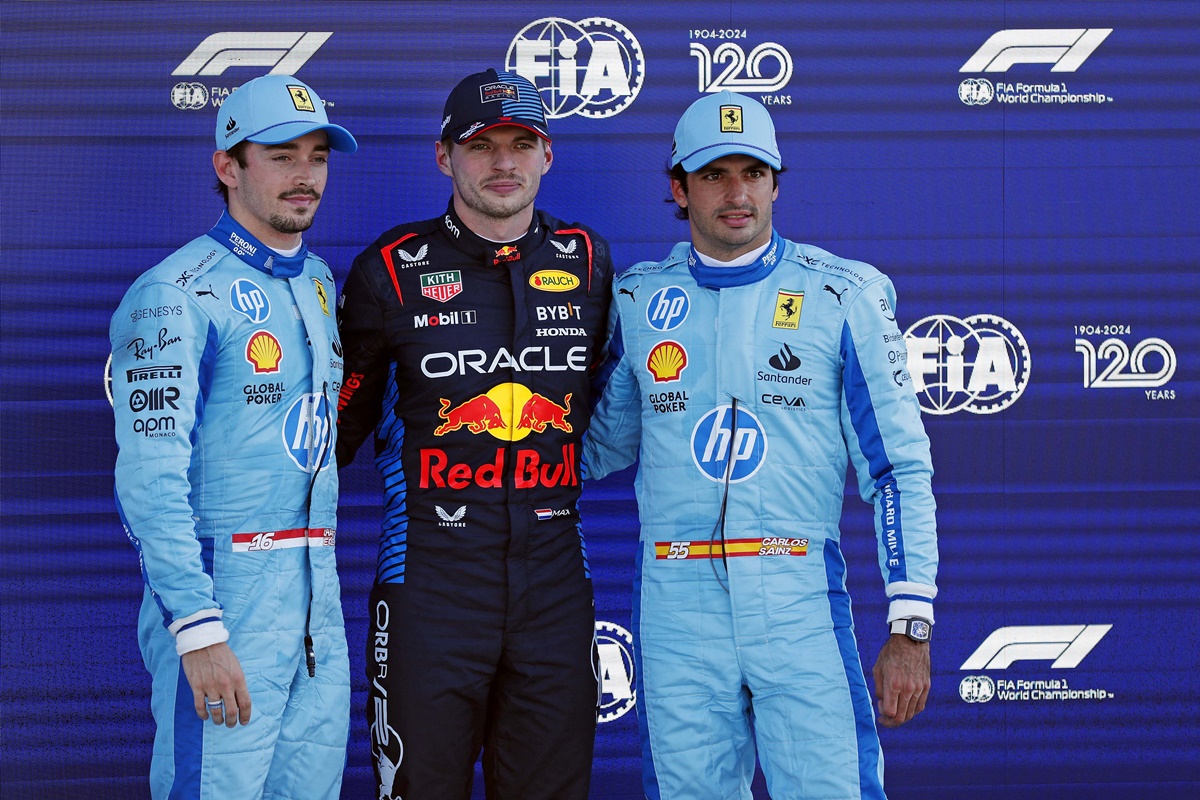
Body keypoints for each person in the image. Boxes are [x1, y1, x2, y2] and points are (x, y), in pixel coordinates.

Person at [583, 90, 939, 799]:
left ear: (777, 182)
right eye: (714, 174)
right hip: (676, 593)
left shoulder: (843, 294)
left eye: (753, 172)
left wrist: (911, 624)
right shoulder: (637, 301)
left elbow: (897, 468)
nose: (736, 192)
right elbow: (597, 450)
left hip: (796, 588)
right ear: (679, 190)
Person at [335, 68, 613, 799]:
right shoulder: (391, 270)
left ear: (547, 156)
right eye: (481, 144)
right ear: (443, 156)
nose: (503, 163)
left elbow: (620, 409)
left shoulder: (588, 260)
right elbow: (330, 440)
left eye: (522, 143)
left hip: (555, 591)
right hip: (430, 590)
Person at [109, 74, 357, 799]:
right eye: (281, 155)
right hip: (228, 596)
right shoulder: (173, 293)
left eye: (317, 156)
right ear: (228, 165)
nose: (305, 174)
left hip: (317, 596)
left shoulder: (315, 279)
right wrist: (197, 628)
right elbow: (149, 480)